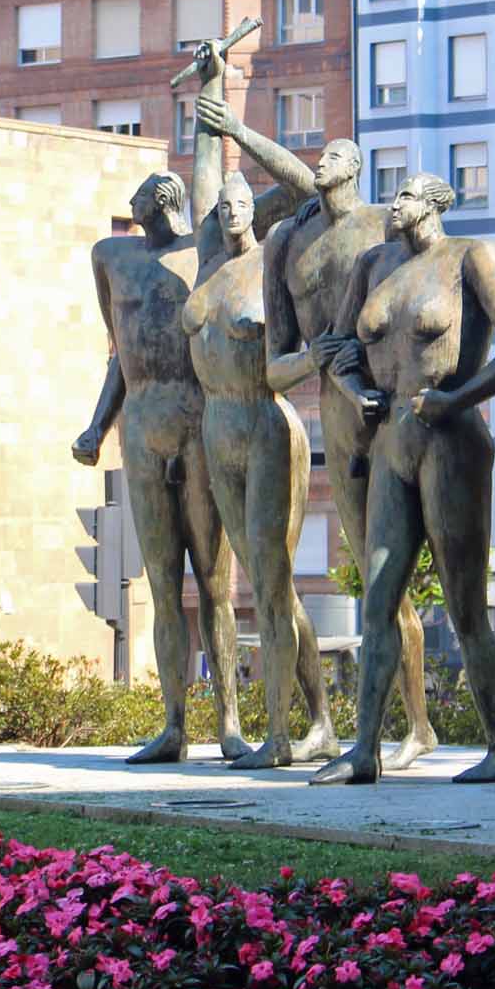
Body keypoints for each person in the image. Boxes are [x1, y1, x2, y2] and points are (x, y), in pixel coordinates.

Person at [71, 43, 313, 763]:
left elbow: (233, 172)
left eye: (159, 189)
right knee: (157, 579)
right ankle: (174, 723)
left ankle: (230, 724)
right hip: (142, 426)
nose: (150, 194)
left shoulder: (209, 249)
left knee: (214, 582)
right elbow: (120, 351)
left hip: (206, 424)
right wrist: (95, 423)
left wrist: (218, 87)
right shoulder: (109, 259)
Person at [309, 173, 495, 786]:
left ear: (436, 203)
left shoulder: (472, 258)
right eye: (394, 195)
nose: (396, 204)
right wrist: (355, 390)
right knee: (379, 598)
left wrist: (459, 397)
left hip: (452, 439)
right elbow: (336, 347)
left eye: (409, 195)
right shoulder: (373, 265)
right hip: (390, 440)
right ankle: (365, 750)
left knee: (465, 605)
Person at [233, 129, 439, 770]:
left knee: (394, 575)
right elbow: (274, 369)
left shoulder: (383, 225)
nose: (320, 163)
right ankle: (361, 729)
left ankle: (416, 725)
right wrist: (310, 358)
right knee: (379, 577)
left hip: (394, 405)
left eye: (333, 156)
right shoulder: (287, 244)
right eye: (315, 157)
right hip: (336, 417)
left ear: (356, 169)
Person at [184, 165, 339, 768]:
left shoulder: (272, 262)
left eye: (240, 203)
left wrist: (242, 135)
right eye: (221, 205)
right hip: (215, 431)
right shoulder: (206, 262)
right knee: (268, 587)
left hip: (265, 424)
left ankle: (279, 737)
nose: (229, 213)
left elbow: (308, 189)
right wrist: (213, 80)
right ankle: (320, 721)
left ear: (256, 209)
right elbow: (204, 143)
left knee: (272, 585)